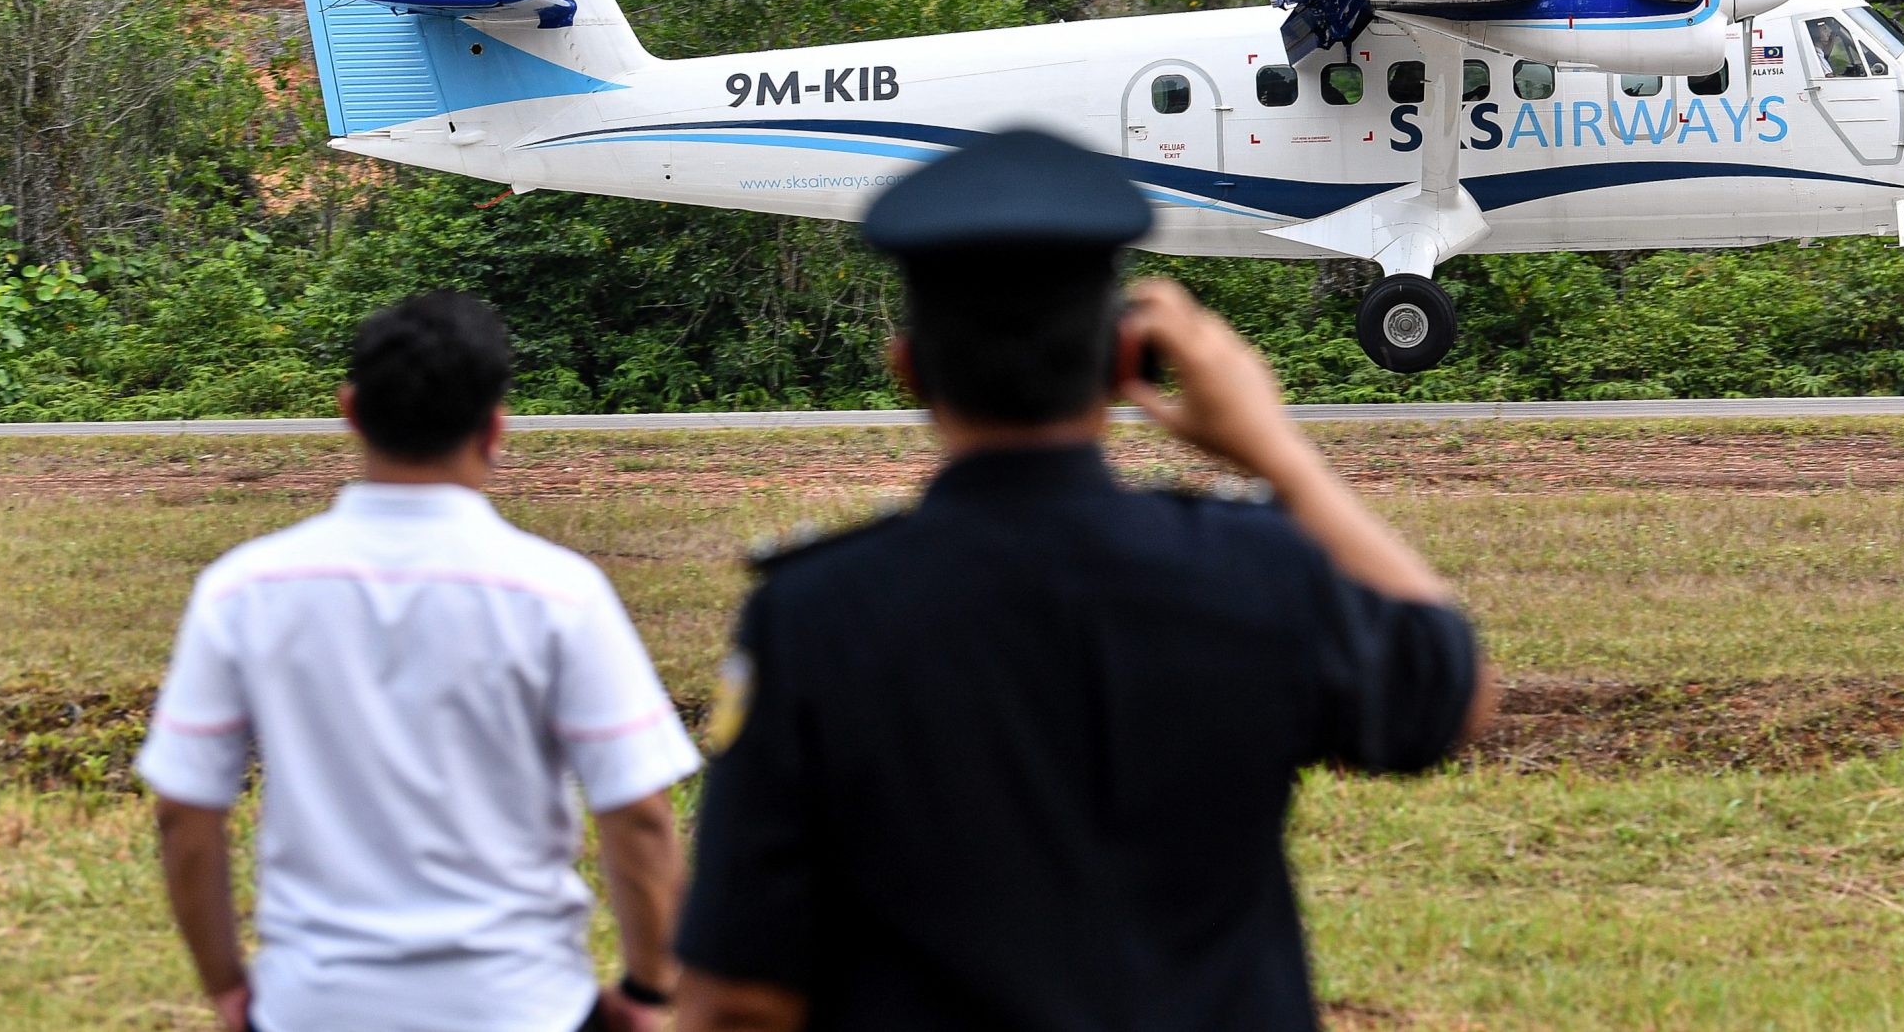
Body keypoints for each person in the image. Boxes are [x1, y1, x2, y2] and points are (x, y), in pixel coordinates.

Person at [673, 129, 1495, 1032]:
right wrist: (1277, 450)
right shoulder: (1254, 566)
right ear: (1122, 365)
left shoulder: (815, 615)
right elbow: (1445, 695)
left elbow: (739, 995)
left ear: (909, 371)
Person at [137, 292, 702, 1032]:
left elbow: (184, 811)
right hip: (522, 1003)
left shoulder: (245, 588)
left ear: (350, 410)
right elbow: (637, 815)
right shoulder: (560, 592)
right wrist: (650, 987)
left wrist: (228, 986)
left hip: (312, 1005)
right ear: (496, 424)